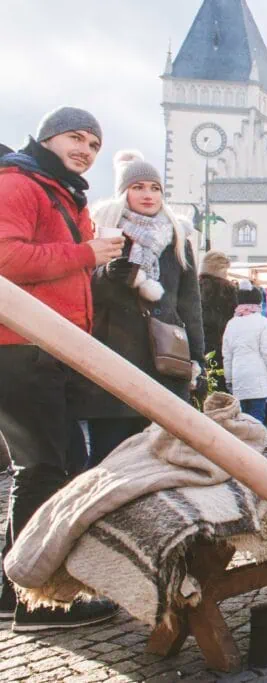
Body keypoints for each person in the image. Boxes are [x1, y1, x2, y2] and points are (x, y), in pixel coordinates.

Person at [0, 107, 121, 630]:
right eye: (76, 137)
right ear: (49, 136)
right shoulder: (20, 183)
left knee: (56, 465)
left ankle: (14, 590)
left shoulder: (59, 190)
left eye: (94, 144)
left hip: (47, 348)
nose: (86, 150)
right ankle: (35, 600)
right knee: (43, 468)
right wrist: (85, 253)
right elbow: (5, 260)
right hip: (21, 346)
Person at [82, 151, 205, 466]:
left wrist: (197, 360)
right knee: (112, 457)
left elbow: (189, 304)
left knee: (164, 457)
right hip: (116, 355)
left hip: (166, 358)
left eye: (155, 188)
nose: (148, 195)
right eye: (138, 187)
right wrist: (110, 276)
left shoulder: (178, 236)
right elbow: (87, 293)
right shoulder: (105, 230)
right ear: (124, 192)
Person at [222, 280, 267, 423]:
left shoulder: (231, 324)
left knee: (241, 419)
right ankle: (255, 444)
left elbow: (227, 355)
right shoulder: (262, 322)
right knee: (257, 417)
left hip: (238, 376)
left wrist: (228, 378)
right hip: (258, 377)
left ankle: (241, 444)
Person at [199, 250, 237, 388]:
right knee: (218, 389)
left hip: (197, 345)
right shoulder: (228, 290)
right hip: (220, 346)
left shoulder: (196, 285)